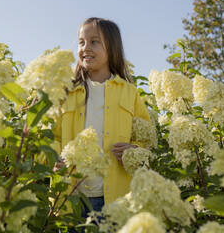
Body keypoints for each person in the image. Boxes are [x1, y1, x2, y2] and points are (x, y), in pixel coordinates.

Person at [53, 17, 151, 217]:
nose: (85, 48)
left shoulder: (129, 92)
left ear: (112, 47)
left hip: (116, 200)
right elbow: (51, 136)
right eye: (81, 42)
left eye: (94, 41)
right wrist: (54, 157)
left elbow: (146, 139)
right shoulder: (66, 91)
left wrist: (135, 151)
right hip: (70, 198)